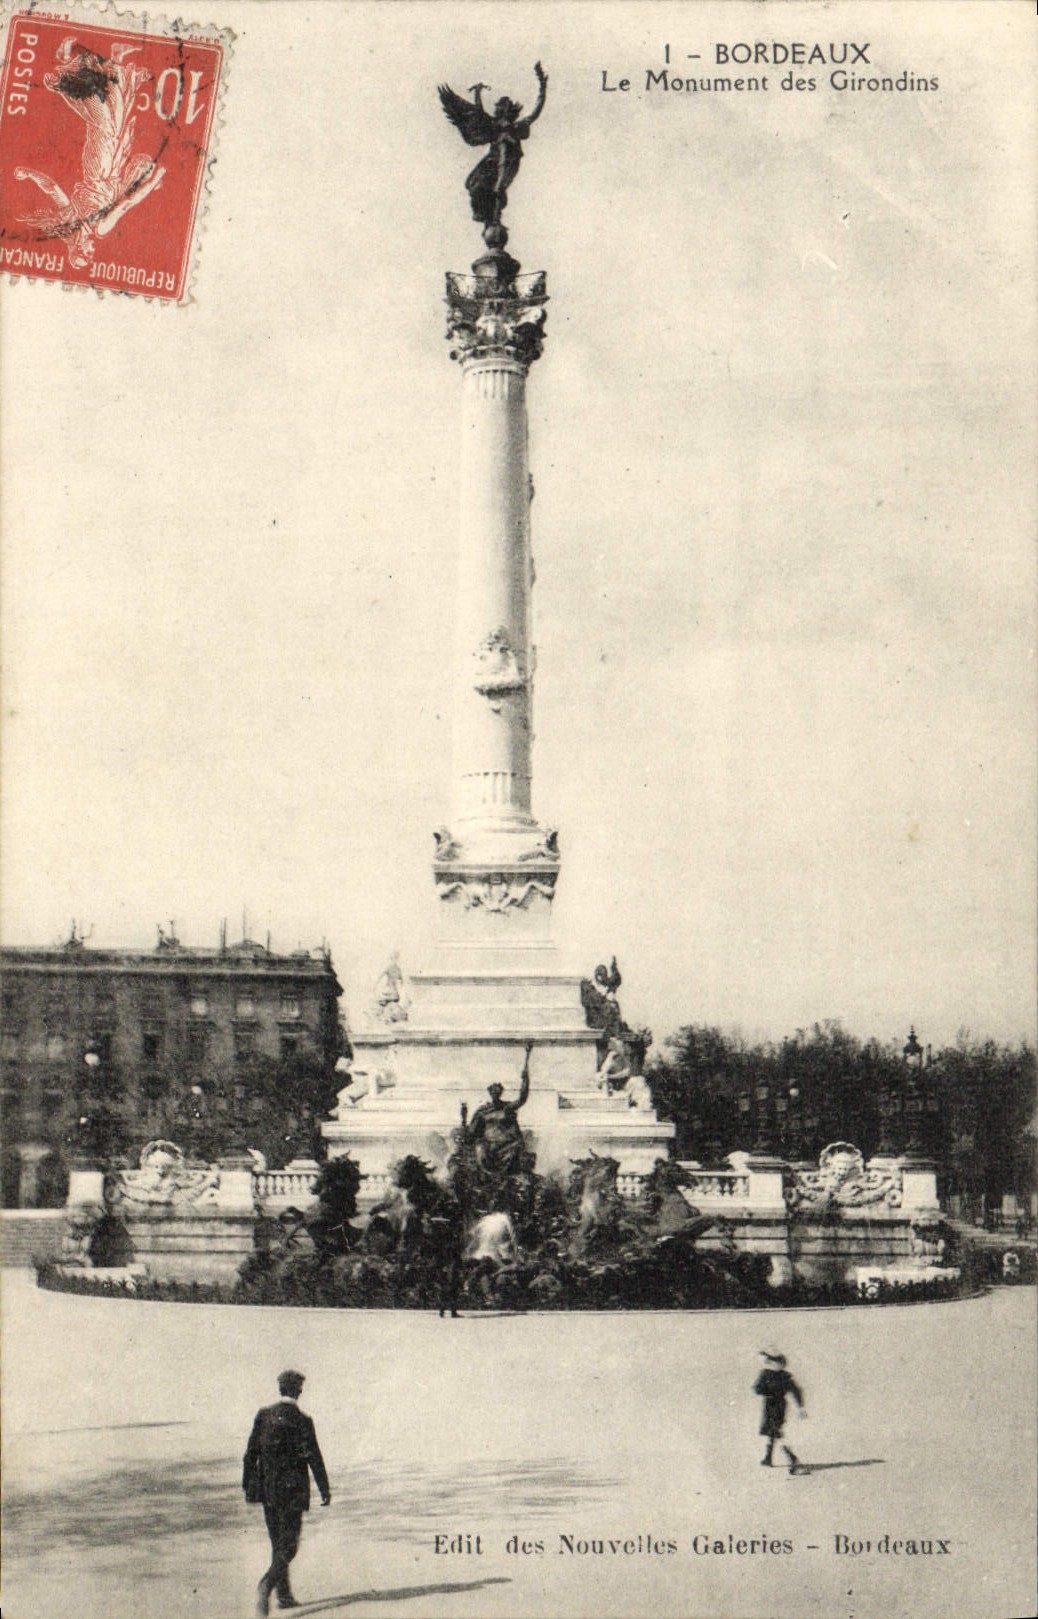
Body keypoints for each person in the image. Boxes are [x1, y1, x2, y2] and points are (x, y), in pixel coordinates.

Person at [243, 1370, 331, 1616]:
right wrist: (325, 1489)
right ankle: (266, 1585)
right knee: (290, 1547)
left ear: (280, 1389)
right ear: (299, 1391)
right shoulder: (303, 1421)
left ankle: (284, 1595)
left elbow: (250, 1453)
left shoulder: (263, 1415)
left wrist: (248, 1486)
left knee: (277, 1542)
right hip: (293, 1492)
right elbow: (314, 1457)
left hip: (268, 1491)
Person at [468, 1042, 532, 1180]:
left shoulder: (507, 1108)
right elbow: (473, 1131)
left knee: (515, 1150)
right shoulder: (483, 1111)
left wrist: (525, 1079)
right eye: (493, 1092)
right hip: (488, 1146)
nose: (495, 1094)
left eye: (497, 1092)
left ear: (500, 1093)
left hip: (506, 1145)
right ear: (490, 1094)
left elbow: (522, 1098)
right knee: (479, 1149)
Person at [754, 1351, 806, 1474]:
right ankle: (768, 1458)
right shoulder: (767, 1374)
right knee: (773, 1432)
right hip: (770, 1406)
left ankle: (792, 1458)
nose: (778, 1365)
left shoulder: (782, 1376)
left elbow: (796, 1391)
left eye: (779, 1363)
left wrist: (800, 1407)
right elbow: (757, 1388)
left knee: (776, 1432)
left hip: (778, 1407)